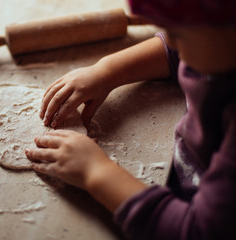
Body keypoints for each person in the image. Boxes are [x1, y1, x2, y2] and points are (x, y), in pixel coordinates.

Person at [25, 0, 236, 239]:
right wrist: (106, 71)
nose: (170, 40)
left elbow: (196, 231)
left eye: (177, 33)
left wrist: (95, 172)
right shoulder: (219, 45)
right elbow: (176, 52)